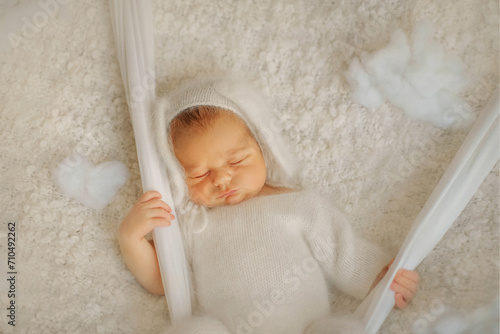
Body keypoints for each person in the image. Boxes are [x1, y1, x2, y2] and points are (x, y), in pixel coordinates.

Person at [118, 75, 419, 334]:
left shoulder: (298, 205)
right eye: (199, 174)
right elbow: (161, 279)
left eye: (236, 160)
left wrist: (380, 278)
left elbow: (342, 251)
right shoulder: (194, 223)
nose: (221, 179)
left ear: (264, 147)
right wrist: (131, 238)